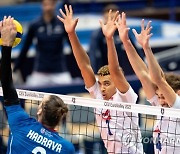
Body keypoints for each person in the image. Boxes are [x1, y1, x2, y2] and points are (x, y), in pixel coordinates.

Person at [57, 5, 143, 153]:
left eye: (107, 84)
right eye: (101, 84)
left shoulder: (125, 97)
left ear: (116, 83)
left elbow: (115, 70)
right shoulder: (98, 95)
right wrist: (71, 34)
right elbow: (84, 66)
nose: (102, 88)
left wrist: (109, 38)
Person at [0, 16, 75, 153]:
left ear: (39, 110)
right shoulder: (67, 148)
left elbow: (6, 84)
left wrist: (6, 45)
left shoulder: (20, 123)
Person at [115, 13, 180, 153]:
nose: (160, 100)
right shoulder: (160, 105)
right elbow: (143, 75)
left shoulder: (178, 106)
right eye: (159, 96)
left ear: (178, 93)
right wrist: (126, 42)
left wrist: (146, 48)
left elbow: (158, 79)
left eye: (164, 97)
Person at [13, 0, 75, 86]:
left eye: (51, 4)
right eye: (46, 4)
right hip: (40, 71)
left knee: (71, 92)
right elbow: (25, 48)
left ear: (55, 4)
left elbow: (73, 46)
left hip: (60, 71)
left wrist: (80, 68)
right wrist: (15, 68)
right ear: (42, 5)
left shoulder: (62, 24)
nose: (48, 7)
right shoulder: (35, 25)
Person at [88, 4, 140, 75]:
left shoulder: (123, 32)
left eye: (115, 18)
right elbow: (93, 55)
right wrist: (95, 74)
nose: (112, 22)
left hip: (125, 72)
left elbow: (135, 51)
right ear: (104, 18)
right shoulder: (97, 35)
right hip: (106, 73)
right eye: (110, 18)